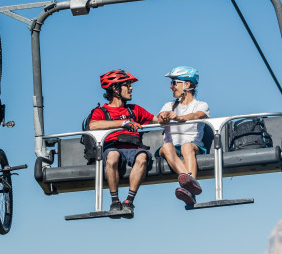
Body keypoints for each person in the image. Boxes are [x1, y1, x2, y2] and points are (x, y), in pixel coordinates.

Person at [87, 69, 156, 218]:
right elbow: (93, 125)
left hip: (134, 148)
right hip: (113, 147)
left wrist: (166, 116)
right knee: (112, 156)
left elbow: (156, 120)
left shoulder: (135, 110)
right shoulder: (101, 111)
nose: (131, 88)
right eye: (127, 85)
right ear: (115, 88)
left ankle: (128, 202)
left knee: (142, 157)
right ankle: (115, 202)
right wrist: (123, 123)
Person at [156, 66, 210, 205]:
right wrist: (164, 116)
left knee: (186, 147)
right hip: (171, 147)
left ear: (187, 84)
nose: (171, 87)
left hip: (192, 145)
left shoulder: (201, 105)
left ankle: (189, 188)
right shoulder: (169, 105)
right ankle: (191, 187)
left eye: (174, 83)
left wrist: (179, 118)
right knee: (167, 146)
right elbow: (160, 118)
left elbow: (197, 115)